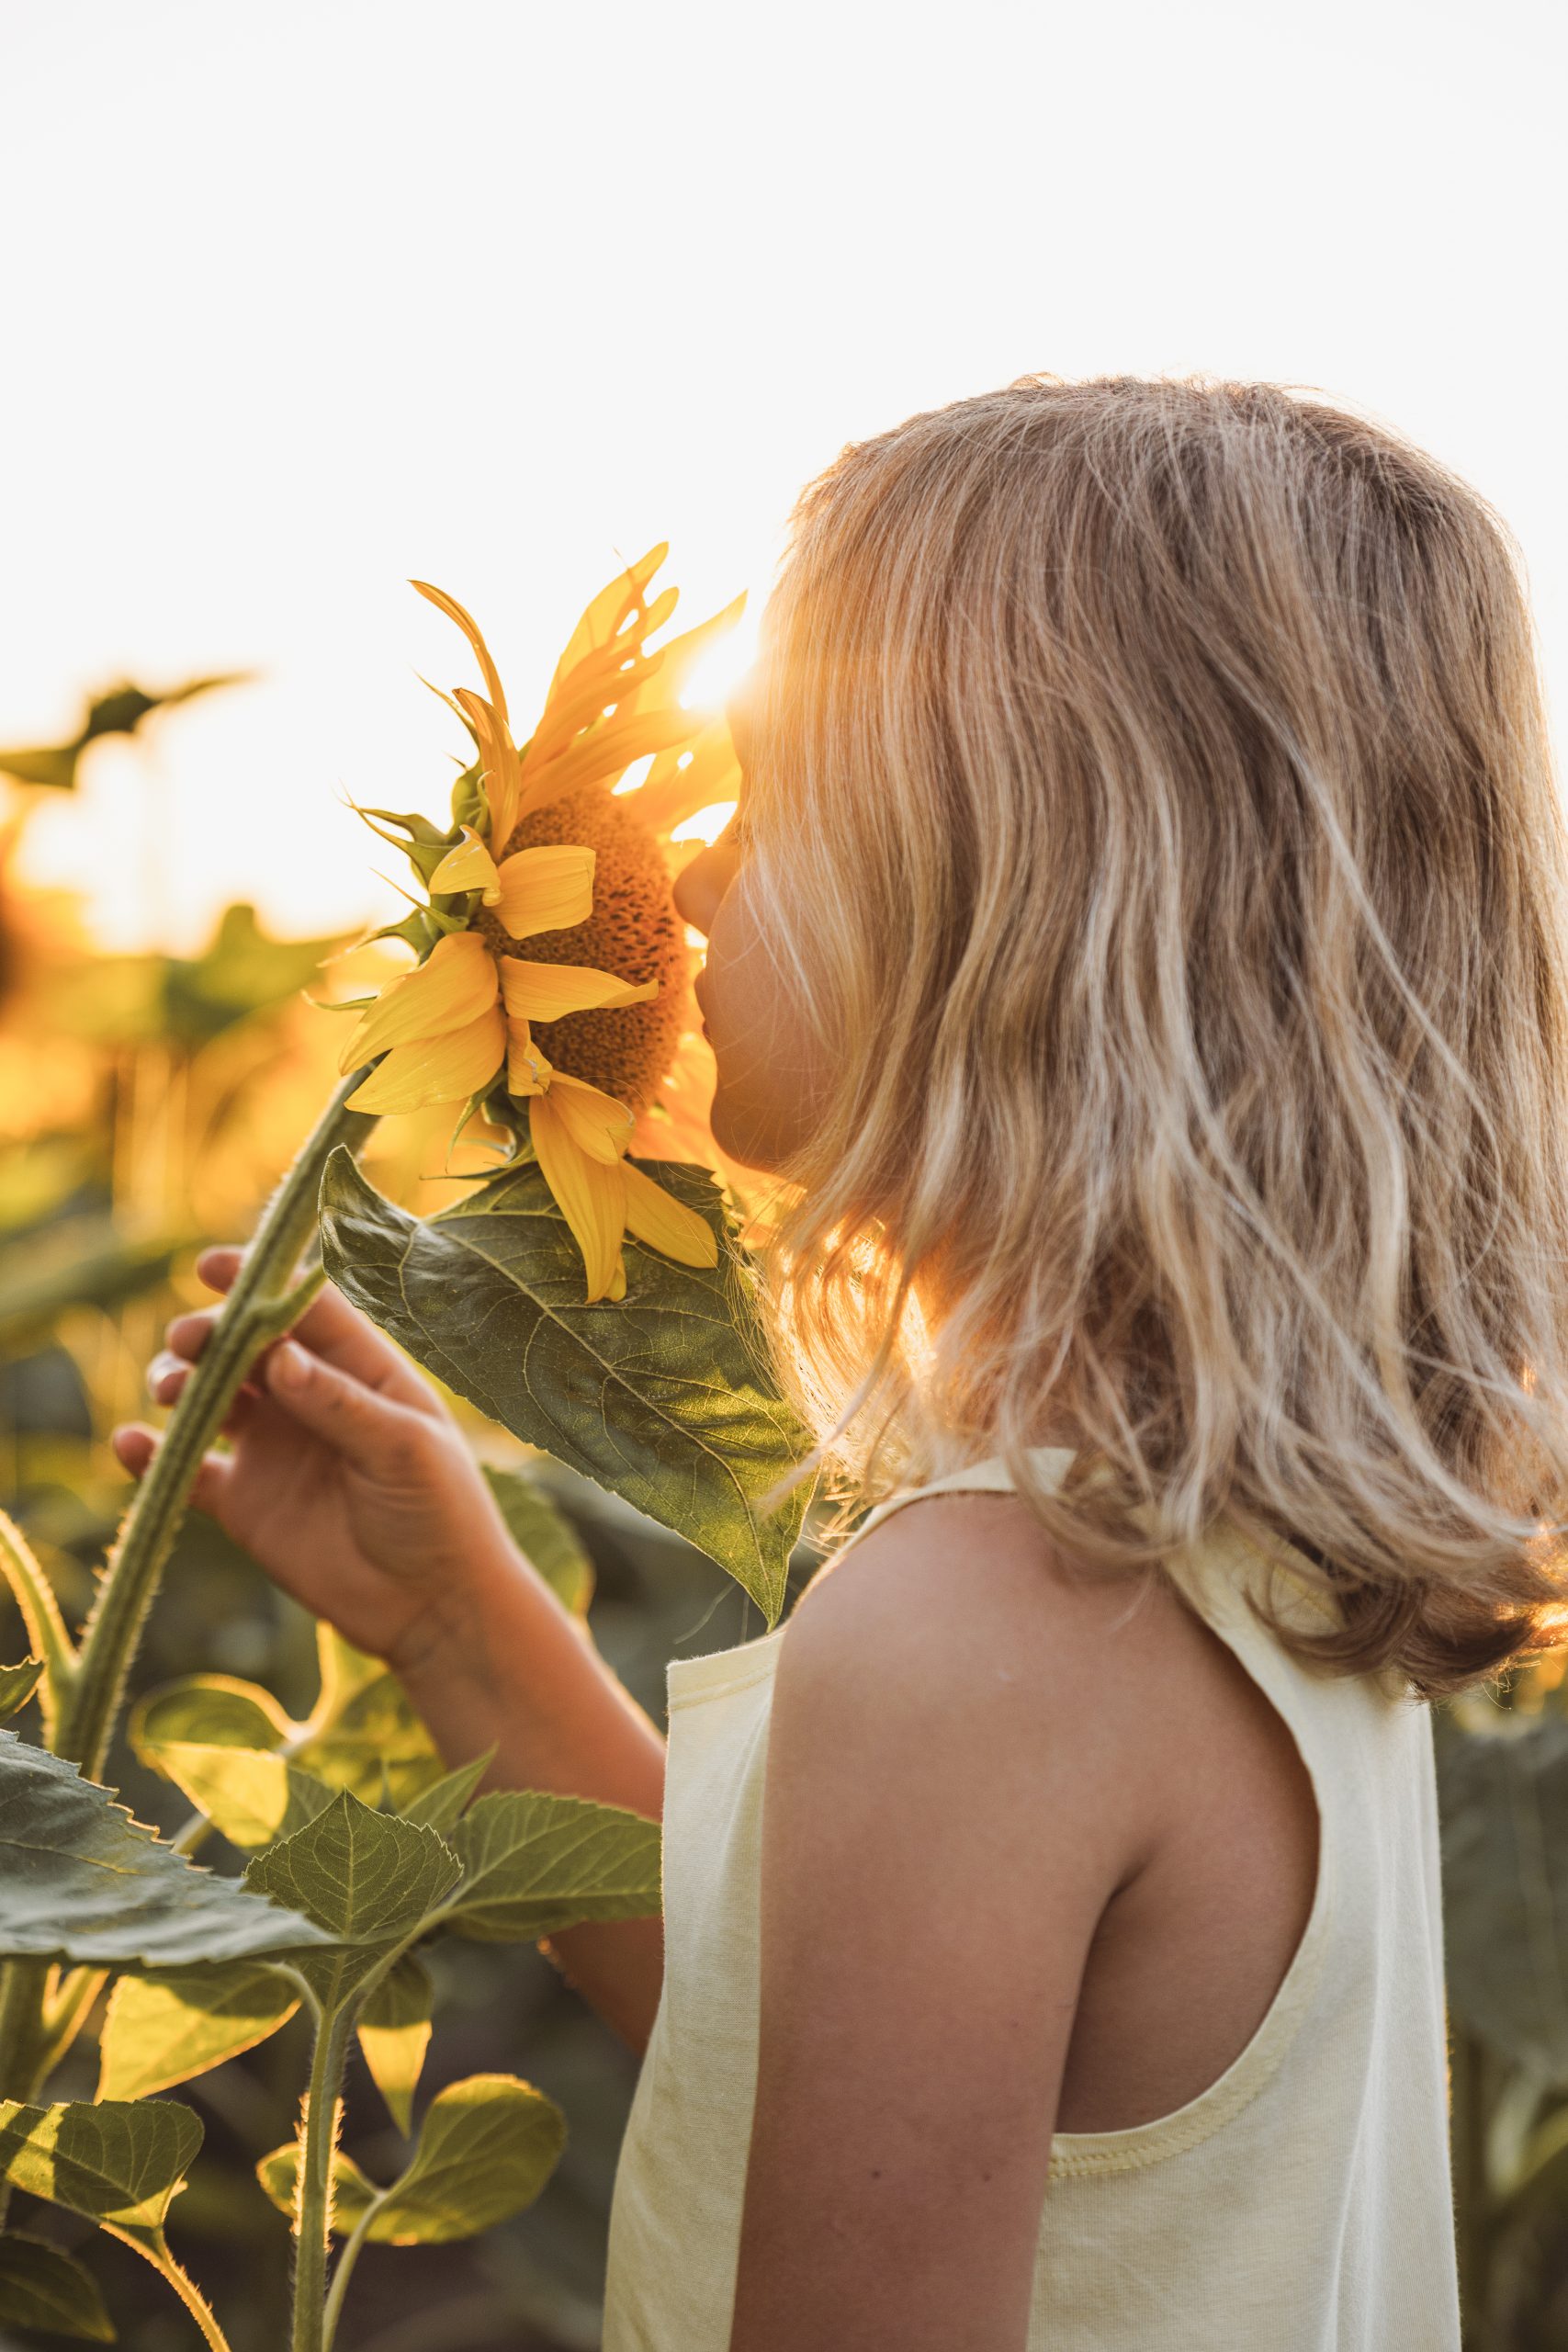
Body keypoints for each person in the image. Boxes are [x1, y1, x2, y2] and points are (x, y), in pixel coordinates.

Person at [116, 376, 1568, 2350]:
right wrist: (460, 1624)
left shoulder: (993, 1623)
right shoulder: (1244, 1557)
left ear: (1014, 899)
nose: (690, 886)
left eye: (772, 796)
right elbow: (845, 2081)